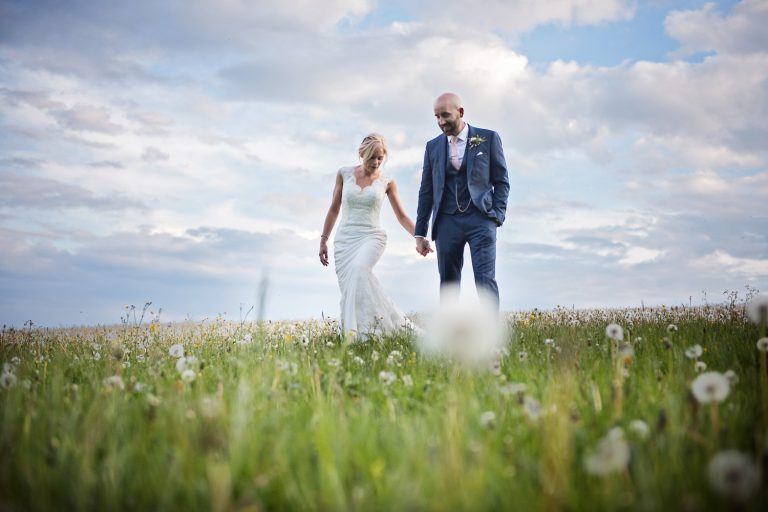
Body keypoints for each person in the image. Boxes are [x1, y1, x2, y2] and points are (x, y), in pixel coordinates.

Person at [414, 92, 510, 309]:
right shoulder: (432, 147)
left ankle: (491, 336)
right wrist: (420, 233)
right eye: (437, 117)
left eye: (445, 115)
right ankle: (449, 338)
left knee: (485, 280)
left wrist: (497, 215)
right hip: (447, 223)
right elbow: (426, 191)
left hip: (481, 220)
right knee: (448, 284)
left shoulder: (488, 138)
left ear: (461, 112)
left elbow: (502, 181)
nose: (441, 122)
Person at [319, 133, 417, 337]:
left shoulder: (387, 181)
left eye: (380, 158)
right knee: (352, 288)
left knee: (360, 269)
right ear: (362, 154)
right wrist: (324, 240)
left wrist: (420, 236)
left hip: (372, 236)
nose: (376, 162)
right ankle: (359, 335)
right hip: (345, 240)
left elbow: (401, 216)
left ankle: (389, 329)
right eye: (372, 157)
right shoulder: (344, 174)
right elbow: (334, 209)